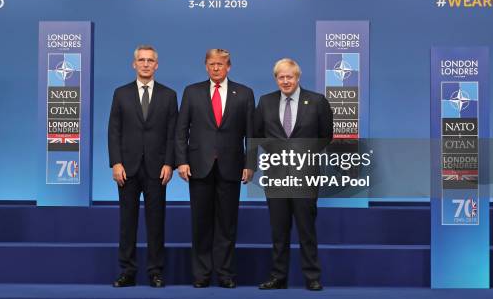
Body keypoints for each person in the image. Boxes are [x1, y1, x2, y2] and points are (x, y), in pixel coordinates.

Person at [175, 48, 254, 288]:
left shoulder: (245, 93)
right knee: (201, 223)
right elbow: (181, 131)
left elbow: (252, 133)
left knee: (227, 224)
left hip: (232, 167)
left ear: (229, 66)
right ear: (206, 66)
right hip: (199, 167)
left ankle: (225, 274)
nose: (216, 68)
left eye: (220, 64)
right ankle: (202, 274)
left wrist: (250, 164)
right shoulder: (192, 92)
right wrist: (182, 161)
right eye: (211, 64)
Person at [255, 58, 333, 291]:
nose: (286, 81)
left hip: (305, 174)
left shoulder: (317, 101)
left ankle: (312, 277)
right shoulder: (265, 102)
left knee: (306, 229)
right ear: (276, 79)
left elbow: (326, 135)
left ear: (297, 78)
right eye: (281, 77)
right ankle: (278, 277)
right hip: (276, 174)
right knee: (279, 230)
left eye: (290, 76)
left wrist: (302, 154)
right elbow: (258, 134)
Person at [108, 45, 178, 288]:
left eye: (150, 60)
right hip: (127, 168)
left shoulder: (169, 95)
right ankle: (127, 271)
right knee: (127, 223)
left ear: (156, 65)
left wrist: (170, 162)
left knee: (156, 223)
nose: (146, 64)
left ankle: (155, 271)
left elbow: (173, 134)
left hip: (157, 169)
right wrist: (115, 162)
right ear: (134, 64)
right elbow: (113, 131)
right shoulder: (121, 93)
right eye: (141, 60)